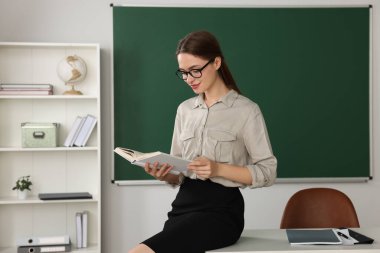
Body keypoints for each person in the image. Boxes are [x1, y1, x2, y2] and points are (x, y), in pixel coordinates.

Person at [128, 30, 277, 253]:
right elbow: (178, 172)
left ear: (216, 62)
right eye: (183, 73)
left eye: (195, 71)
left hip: (221, 211)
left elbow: (268, 172)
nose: (189, 79)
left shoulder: (246, 110)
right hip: (183, 207)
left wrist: (217, 168)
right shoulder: (184, 110)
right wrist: (163, 174)